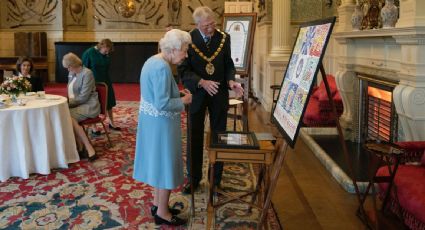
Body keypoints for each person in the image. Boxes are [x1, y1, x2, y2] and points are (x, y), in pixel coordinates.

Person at [178, 6, 243, 194]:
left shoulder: (224, 38)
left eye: (213, 23)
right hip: (196, 95)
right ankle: (194, 178)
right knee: (194, 135)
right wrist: (202, 82)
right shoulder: (188, 40)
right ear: (197, 24)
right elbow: (183, 71)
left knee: (219, 136)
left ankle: (215, 179)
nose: (211, 28)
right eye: (206, 25)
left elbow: (228, 64)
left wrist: (231, 81)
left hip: (219, 94)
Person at [133, 29, 192, 226]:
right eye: (184, 50)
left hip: (154, 124)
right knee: (165, 166)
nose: (186, 54)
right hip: (161, 126)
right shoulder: (161, 68)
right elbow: (161, 103)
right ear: (174, 49)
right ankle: (163, 214)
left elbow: (158, 95)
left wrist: (177, 94)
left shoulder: (154, 61)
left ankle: (159, 205)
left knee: (159, 165)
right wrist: (184, 100)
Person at [63, 52, 100, 161]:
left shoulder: (87, 73)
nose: (67, 69)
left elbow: (84, 97)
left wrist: (67, 103)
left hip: (89, 105)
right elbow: (70, 93)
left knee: (67, 116)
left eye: (68, 67)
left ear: (74, 64)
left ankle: (87, 147)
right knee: (65, 115)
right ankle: (81, 146)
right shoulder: (72, 74)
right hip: (77, 105)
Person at [82, 38, 120, 131]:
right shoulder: (89, 53)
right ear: (103, 46)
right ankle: (94, 127)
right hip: (93, 82)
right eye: (106, 51)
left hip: (106, 81)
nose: (107, 53)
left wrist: (106, 54)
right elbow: (84, 69)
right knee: (94, 103)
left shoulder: (105, 54)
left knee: (109, 102)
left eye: (109, 52)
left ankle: (112, 123)